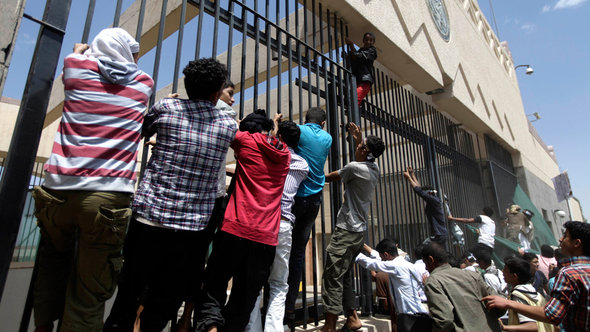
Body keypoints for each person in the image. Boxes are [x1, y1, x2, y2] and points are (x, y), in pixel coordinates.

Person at [30, 28, 153, 332]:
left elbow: (77, 55)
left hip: (58, 190)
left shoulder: (75, 67)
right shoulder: (143, 84)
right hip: (108, 195)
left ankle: (43, 326)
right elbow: (128, 69)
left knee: (51, 263)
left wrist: (80, 50)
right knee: (90, 286)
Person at [101, 58, 236, 332]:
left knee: (129, 293)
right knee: (165, 300)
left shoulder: (167, 107)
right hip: (193, 230)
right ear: (216, 92)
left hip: (150, 219)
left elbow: (137, 131)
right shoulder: (228, 124)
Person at [195, 109, 291, 332]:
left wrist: (239, 126)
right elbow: (270, 139)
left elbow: (225, 131)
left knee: (213, 288)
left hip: (235, 229)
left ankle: (210, 328)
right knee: (244, 301)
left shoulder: (246, 141)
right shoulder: (284, 153)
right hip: (266, 238)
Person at [319, 122, 385, 332]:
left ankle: (329, 325)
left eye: (361, 145)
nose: (358, 146)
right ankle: (353, 317)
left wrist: (308, 173)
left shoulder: (354, 168)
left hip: (347, 230)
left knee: (332, 274)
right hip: (358, 232)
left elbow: (329, 177)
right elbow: (362, 156)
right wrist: (359, 138)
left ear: (365, 151)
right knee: (345, 274)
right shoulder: (374, 168)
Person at [246, 117, 309, 332]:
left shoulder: (267, 154)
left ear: (280, 137)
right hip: (283, 224)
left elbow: (268, 148)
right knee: (279, 284)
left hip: (261, 221)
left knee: (253, 282)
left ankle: (252, 328)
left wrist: (271, 129)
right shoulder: (302, 164)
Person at [483, 221, 590, 331]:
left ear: (576, 243)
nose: (560, 240)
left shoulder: (568, 274)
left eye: (565, 236)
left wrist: (507, 303)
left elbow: (552, 315)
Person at [285, 107, 332, 321]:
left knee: (279, 246)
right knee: (297, 253)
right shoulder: (328, 138)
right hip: (314, 200)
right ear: (323, 123)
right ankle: (290, 307)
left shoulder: (299, 131)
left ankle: (272, 300)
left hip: (293, 196)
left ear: (305, 119)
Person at [421, 242, 504, 332]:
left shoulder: (433, 281)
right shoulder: (472, 275)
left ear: (431, 260)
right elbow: (500, 304)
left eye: (425, 264)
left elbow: (444, 321)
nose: (426, 268)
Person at [356, 239, 431, 332]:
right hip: (418, 312)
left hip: (409, 316)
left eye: (383, 257)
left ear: (387, 255)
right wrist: (367, 248)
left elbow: (372, 264)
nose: (382, 260)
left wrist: (354, 253)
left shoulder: (396, 266)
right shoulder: (406, 264)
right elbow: (379, 258)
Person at [501, 256, 553, 332]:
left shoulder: (519, 295)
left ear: (514, 276)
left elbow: (532, 326)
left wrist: (505, 327)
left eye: (505, 270)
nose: (502, 272)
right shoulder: (536, 294)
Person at [403, 166, 448, 246]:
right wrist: (412, 174)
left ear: (430, 193)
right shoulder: (434, 199)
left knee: (423, 249)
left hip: (439, 235)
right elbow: (420, 189)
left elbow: (419, 191)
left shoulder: (434, 200)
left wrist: (409, 178)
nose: (425, 195)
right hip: (439, 234)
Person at [343, 32, 377, 105]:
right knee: (351, 99)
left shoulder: (372, 51)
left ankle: (354, 111)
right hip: (357, 80)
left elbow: (358, 56)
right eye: (366, 40)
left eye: (371, 40)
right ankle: (354, 111)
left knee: (354, 99)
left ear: (373, 42)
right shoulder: (361, 50)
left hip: (365, 80)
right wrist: (346, 57)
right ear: (363, 40)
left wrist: (351, 44)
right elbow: (354, 60)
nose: (368, 42)